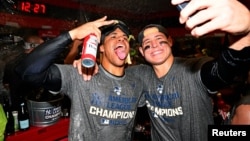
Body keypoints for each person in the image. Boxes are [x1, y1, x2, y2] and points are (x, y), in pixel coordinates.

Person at [74, 0, 250, 140]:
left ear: (170, 41)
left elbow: (222, 71)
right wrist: (89, 65)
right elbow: (113, 74)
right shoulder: (141, 75)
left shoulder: (194, 69)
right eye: (147, 44)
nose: (154, 45)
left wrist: (245, 32)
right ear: (142, 52)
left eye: (159, 39)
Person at [15, 16, 146, 141]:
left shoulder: (137, 82)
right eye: (114, 36)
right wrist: (72, 35)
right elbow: (28, 72)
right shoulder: (80, 75)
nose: (121, 39)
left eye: (124, 37)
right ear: (101, 47)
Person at [3, 35, 44, 111]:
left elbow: (6, 84)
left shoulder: (11, 62)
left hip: (16, 106)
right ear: (33, 47)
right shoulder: (37, 63)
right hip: (34, 108)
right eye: (42, 47)